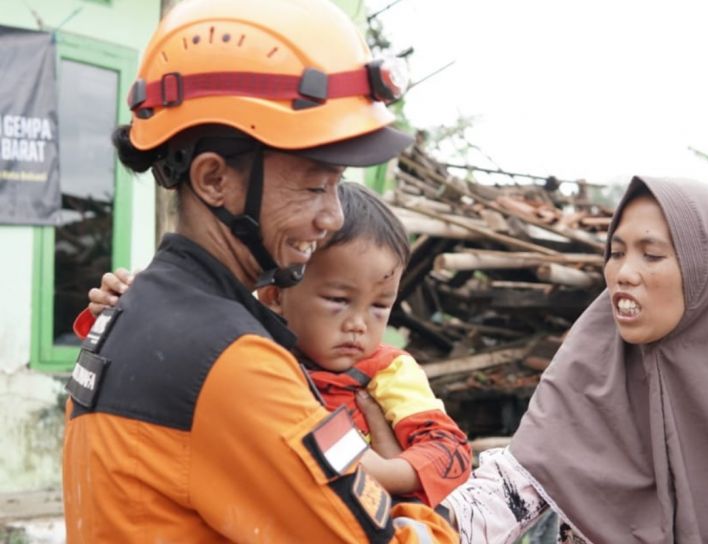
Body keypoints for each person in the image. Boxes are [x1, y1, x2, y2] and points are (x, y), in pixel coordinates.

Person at [61, 0, 457, 541]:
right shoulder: (230, 362)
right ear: (214, 180)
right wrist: (447, 516)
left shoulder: (134, 312)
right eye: (315, 185)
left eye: (338, 185)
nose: (333, 215)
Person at [439, 176, 708, 543]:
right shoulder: (588, 367)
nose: (623, 274)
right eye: (615, 252)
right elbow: (510, 488)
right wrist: (430, 522)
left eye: (651, 255)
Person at [79, 182, 472, 508]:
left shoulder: (386, 371)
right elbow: (179, 339)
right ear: (273, 297)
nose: (357, 325)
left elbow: (448, 448)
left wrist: (383, 472)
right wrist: (129, 303)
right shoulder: (251, 348)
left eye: (380, 306)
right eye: (338, 300)